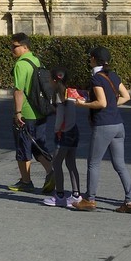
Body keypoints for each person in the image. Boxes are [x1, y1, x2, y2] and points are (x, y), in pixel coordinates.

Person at [73, 46, 131, 212]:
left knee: (93, 163)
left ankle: (90, 199)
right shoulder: (113, 75)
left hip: (103, 125)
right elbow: (126, 96)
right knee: (120, 164)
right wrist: (113, 106)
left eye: (90, 58)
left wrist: (82, 104)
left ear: (93, 58)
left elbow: (101, 103)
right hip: (118, 125)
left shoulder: (96, 78)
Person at [8, 33, 54, 191]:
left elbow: (18, 91)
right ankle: (51, 171)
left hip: (27, 112)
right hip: (40, 110)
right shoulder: (35, 59)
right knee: (38, 145)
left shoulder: (20, 64)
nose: (12, 50)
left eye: (14, 46)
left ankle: (26, 182)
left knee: (23, 147)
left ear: (24, 46)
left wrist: (17, 112)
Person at [42, 69, 83, 209]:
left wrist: (57, 129)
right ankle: (76, 195)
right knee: (71, 163)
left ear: (54, 80)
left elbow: (61, 117)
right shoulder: (71, 91)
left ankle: (59, 195)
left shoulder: (59, 95)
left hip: (63, 132)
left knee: (57, 163)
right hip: (74, 131)